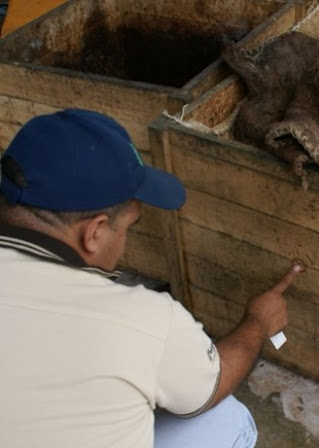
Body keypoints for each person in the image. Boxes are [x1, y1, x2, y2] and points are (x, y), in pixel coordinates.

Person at [0, 108, 300, 448]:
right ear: (95, 232)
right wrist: (259, 322)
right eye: (129, 227)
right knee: (226, 420)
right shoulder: (139, 320)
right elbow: (213, 384)